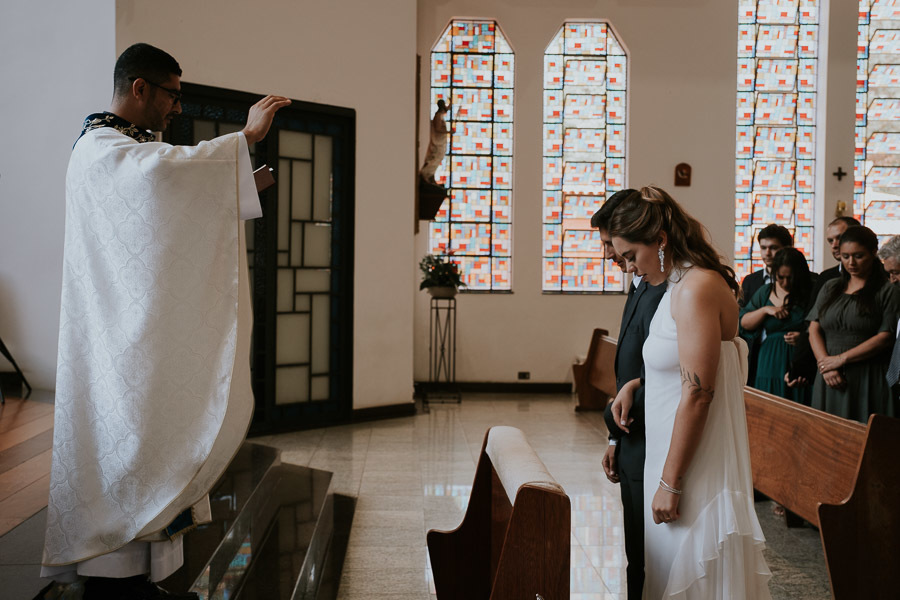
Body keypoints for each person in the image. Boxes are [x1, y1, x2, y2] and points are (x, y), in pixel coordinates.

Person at [37, 43, 290, 600]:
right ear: (140, 89)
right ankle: (110, 575)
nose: (177, 108)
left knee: (153, 437)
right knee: (129, 442)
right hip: (116, 339)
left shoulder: (135, 147)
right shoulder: (101, 149)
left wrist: (240, 186)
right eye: (172, 95)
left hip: (141, 329)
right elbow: (159, 178)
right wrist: (244, 139)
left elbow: (169, 193)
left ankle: (142, 574)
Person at [609, 186, 771, 599]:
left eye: (631, 256)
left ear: (660, 241)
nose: (628, 267)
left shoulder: (698, 287)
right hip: (668, 457)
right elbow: (690, 366)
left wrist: (671, 482)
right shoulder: (676, 286)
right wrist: (637, 383)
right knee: (664, 573)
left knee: (689, 575)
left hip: (691, 468)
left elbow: (700, 393)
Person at [593, 189, 666, 600]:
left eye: (612, 246)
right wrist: (614, 438)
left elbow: (652, 372)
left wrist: (614, 421)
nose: (611, 256)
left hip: (649, 430)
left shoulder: (666, 288)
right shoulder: (641, 283)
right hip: (630, 432)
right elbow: (629, 362)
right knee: (634, 553)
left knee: (649, 554)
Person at [808, 226, 900, 422]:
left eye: (858, 256)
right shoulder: (830, 286)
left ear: (873, 253)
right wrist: (826, 365)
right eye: (845, 256)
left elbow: (885, 337)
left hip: (867, 374)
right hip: (828, 375)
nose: (851, 263)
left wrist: (841, 359)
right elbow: (814, 328)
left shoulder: (887, 290)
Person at [740, 248, 813, 404]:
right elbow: (745, 322)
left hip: (799, 357)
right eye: (781, 277)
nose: (785, 283)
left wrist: (804, 338)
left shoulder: (810, 292)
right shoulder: (765, 292)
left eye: (790, 278)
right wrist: (766, 310)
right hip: (770, 358)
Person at [809, 216, 861, 303]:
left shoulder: (884, 274)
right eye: (830, 241)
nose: (834, 245)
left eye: (839, 238)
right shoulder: (825, 278)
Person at [739, 224, 793, 308]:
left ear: (787, 248)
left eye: (773, 248)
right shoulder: (749, 281)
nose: (767, 253)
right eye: (763, 248)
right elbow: (741, 314)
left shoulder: (809, 279)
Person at [420, 99, 450, 184]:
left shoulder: (440, 114)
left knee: (438, 158)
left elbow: (447, 109)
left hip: (441, 142)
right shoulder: (438, 116)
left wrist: (451, 103)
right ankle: (425, 175)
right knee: (436, 157)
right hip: (438, 142)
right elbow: (437, 129)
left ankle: (429, 176)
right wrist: (449, 132)